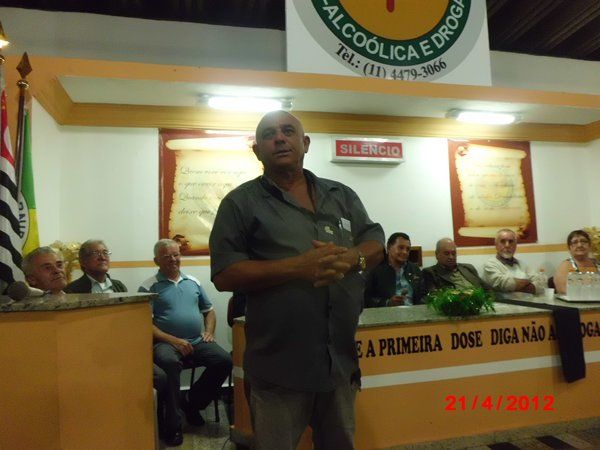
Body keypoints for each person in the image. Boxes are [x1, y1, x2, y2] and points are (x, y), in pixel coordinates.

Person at [209, 110, 384, 450]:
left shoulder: (341, 194)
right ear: (257, 150)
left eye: (288, 131)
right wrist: (297, 267)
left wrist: (354, 259)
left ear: (305, 143)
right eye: (269, 134)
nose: (279, 138)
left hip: (339, 363)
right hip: (279, 371)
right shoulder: (240, 203)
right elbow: (225, 273)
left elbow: (374, 241)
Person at [139, 239, 232, 447]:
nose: (173, 259)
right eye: (167, 256)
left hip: (196, 341)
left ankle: (191, 403)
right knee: (169, 364)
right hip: (165, 344)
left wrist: (209, 331)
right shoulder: (148, 287)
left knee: (224, 360)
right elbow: (145, 324)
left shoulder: (193, 282)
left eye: (176, 255)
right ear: (156, 260)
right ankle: (173, 426)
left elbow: (209, 311)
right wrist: (174, 340)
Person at [364, 232, 425, 307]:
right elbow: (366, 298)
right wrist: (387, 303)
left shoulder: (414, 269)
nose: (405, 252)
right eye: (401, 248)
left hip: (414, 311)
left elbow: (423, 295)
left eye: (408, 249)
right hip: (386, 312)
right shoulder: (375, 269)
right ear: (388, 248)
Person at [482, 229, 546, 295]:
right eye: (502, 241)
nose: (507, 245)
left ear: (515, 245)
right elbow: (504, 284)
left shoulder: (521, 264)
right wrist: (529, 282)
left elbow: (541, 284)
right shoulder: (490, 264)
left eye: (511, 242)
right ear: (496, 245)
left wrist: (515, 286)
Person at [423, 238, 487, 292]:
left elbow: (487, 289)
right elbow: (431, 297)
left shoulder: (468, 268)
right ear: (437, 254)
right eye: (446, 253)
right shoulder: (430, 273)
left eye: (453, 253)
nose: (451, 257)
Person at [554, 229, 599, 294]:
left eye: (583, 241)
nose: (580, 245)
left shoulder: (597, 264)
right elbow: (564, 290)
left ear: (589, 245)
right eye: (575, 242)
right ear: (569, 247)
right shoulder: (565, 266)